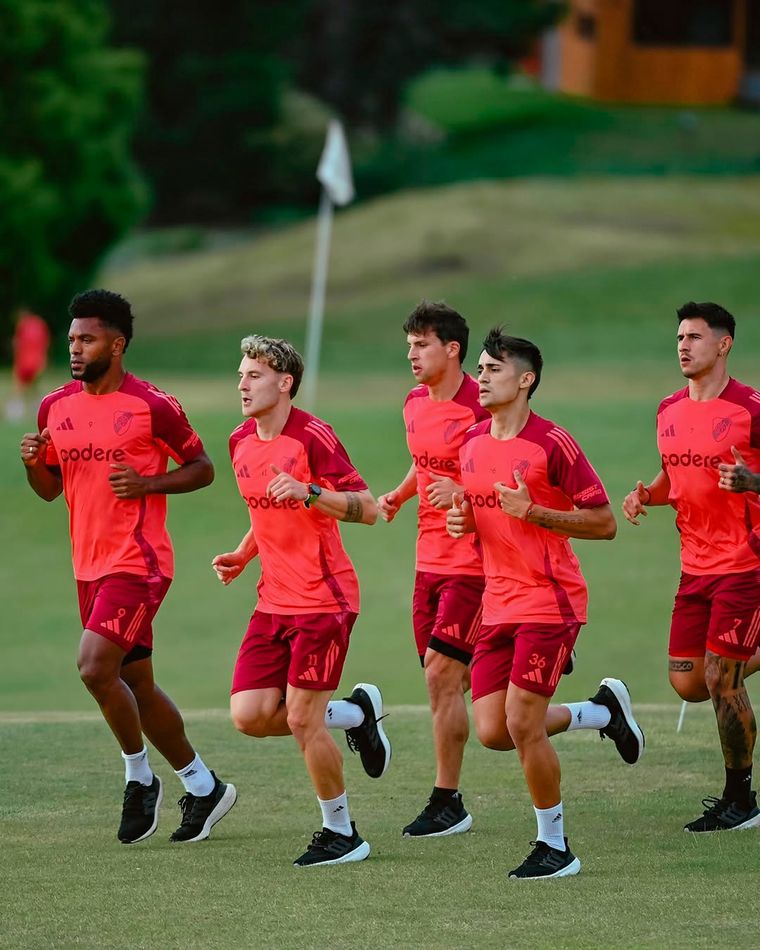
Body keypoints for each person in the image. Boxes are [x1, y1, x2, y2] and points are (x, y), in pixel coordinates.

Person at [20, 289, 236, 845]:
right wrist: (32, 464)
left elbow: (203, 467)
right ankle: (203, 784)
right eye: (70, 338)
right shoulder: (55, 407)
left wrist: (149, 483)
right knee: (135, 681)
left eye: (86, 338)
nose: (74, 347)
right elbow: (49, 491)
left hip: (138, 564)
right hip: (87, 567)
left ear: (116, 345)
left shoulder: (152, 406)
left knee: (95, 668)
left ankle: (140, 777)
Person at [448, 327, 644, 879]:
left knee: (522, 722)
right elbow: (478, 520)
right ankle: (600, 712)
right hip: (498, 604)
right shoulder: (469, 444)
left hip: (551, 603)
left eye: (493, 369)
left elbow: (604, 523)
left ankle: (555, 846)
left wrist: (534, 512)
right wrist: (464, 520)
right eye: (480, 369)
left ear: (526, 379)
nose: (481, 378)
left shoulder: (552, 443)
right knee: (493, 731)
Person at [212, 334, 391, 867]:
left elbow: (368, 508)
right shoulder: (240, 439)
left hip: (324, 600)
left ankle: (342, 833)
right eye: (240, 374)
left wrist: (312, 492)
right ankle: (358, 715)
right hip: (273, 601)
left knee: (300, 720)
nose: (242, 384)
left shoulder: (313, 436)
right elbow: (262, 510)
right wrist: (245, 554)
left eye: (254, 375)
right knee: (249, 715)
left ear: (284, 382)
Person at [623, 301, 760, 832]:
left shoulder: (750, 407)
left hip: (745, 562)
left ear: (723, 345)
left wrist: (753, 484)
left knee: (722, 681)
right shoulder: (668, 409)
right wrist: (646, 496)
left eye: (695, 337)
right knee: (688, 682)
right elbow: (676, 475)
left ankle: (741, 799)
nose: (683, 345)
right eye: (680, 336)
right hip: (694, 566)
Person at [377, 300, 488, 837]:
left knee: (441, 677)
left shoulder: (483, 404)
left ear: (452, 349)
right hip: (427, 562)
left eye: (422, 345)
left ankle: (448, 801)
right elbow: (425, 464)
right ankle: (600, 712)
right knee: (462, 686)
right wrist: (401, 495)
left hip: (477, 561)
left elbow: (510, 475)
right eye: (409, 346)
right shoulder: (414, 403)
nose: (412, 355)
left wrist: (463, 492)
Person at [6, 307, 50, 421]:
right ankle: (37, 408)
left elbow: (17, 344)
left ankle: (15, 410)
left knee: (19, 386)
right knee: (33, 386)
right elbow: (45, 344)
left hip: (24, 361)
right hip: (37, 362)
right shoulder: (40, 324)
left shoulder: (22, 325)